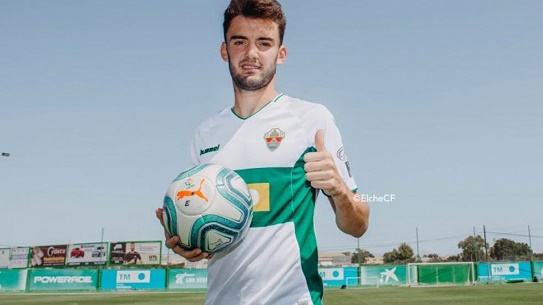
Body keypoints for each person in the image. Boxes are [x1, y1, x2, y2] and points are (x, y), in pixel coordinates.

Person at [156, 0, 369, 304]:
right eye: (239, 41)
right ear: (224, 50)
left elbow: (358, 224)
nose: (251, 53)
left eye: (264, 43)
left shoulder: (312, 120)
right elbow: (201, 233)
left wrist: (338, 190)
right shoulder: (205, 134)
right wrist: (186, 241)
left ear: (281, 54)